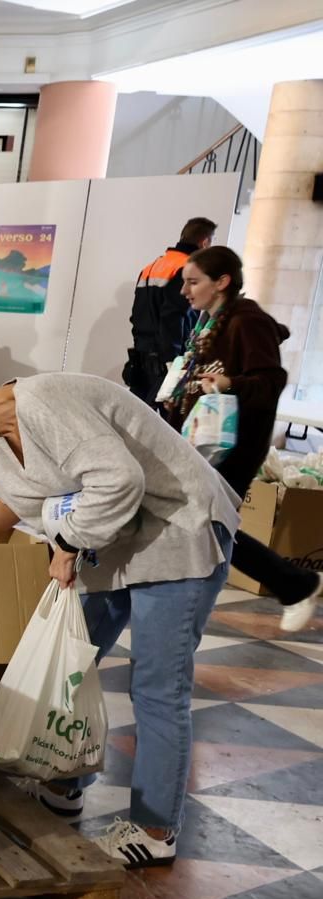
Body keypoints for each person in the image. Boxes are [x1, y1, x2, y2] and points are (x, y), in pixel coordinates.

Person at [0, 359, 239, 868]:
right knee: (71, 663)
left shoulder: (45, 403)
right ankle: (64, 783)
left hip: (177, 531)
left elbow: (119, 482)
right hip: (117, 543)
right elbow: (20, 498)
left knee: (157, 688)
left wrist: (67, 542)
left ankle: (154, 828)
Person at [161, 245, 320, 631]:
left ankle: (295, 583)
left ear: (222, 282)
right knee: (201, 520)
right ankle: (289, 584)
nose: (185, 291)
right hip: (202, 442)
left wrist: (230, 383)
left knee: (209, 521)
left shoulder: (247, 321)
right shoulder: (208, 324)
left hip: (233, 445)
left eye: (193, 282)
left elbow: (271, 380)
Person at [125, 217, 216, 405]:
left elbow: (136, 316)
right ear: (205, 242)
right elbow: (173, 317)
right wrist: (173, 363)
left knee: (136, 419)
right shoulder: (187, 269)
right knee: (165, 427)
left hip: (142, 360)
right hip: (166, 364)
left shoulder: (151, 267)